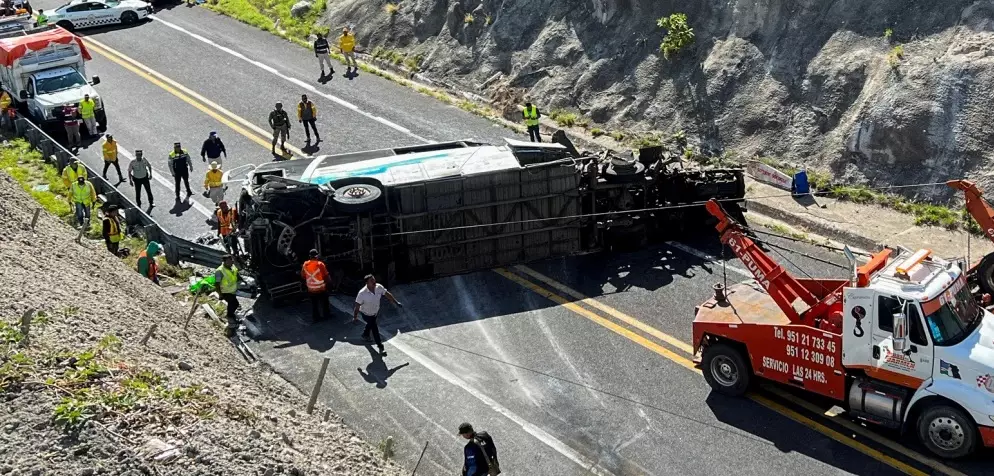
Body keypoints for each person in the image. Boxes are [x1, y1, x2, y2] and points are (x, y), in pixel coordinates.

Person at [353, 274, 402, 357]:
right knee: (374, 328)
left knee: (371, 324)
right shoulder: (362, 293)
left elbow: (387, 294)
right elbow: (357, 306)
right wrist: (355, 317)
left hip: (375, 312)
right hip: (366, 314)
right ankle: (380, 345)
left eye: (374, 279)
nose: (374, 281)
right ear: (367, 283)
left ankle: (365, 334)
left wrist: (396, 302)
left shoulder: (378, 287)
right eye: (371, 281)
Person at [301, 249, 331, 323]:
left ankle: (316, 318)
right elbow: (326, 276)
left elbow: (303, 276)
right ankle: (326, 315)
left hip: (311, 289)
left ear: (310, 256)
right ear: (317, 256)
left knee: (314, 304)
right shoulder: (320, 264)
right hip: (320, 289)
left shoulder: (305, 264)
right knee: (325, 302)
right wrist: (329, 284)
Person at [214, 254, 240, 337]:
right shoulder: (220, 271)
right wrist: (220, 294)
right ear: (224, 262)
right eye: (229, 260)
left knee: (234, 304)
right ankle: (230, 317)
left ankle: (230, 315)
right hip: (225, 292)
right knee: (234, 303)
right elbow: (217, 284)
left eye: (232, 260)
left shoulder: (232, 267)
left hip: (232, 290)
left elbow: (236, 274)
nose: (232, 261)